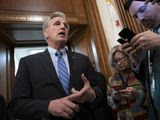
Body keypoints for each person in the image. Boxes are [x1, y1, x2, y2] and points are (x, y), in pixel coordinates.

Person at [8, 11, 106, 120]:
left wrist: (92, 95)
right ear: (46, 33)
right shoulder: (27, 63)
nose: (63, 26)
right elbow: (16, 106)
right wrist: (48, 106)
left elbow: (100, 89)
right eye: (57, 24)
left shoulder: (83, 59)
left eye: (66, 25)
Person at [122, 0, 160, 119]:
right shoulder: (147, 38)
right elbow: (150, 81)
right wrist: (136, 61)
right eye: (135, 16)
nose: (140, 19)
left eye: (142, 10)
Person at [107, 45, 148, 120]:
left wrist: (137, 94)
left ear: (128, 56)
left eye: (121, 59)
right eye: (115, 61)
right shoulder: (112, 80)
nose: (119, 63)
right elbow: (109, 101)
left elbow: (153, 97)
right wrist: (114, 98)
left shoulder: (139, 73)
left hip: (144, 116)